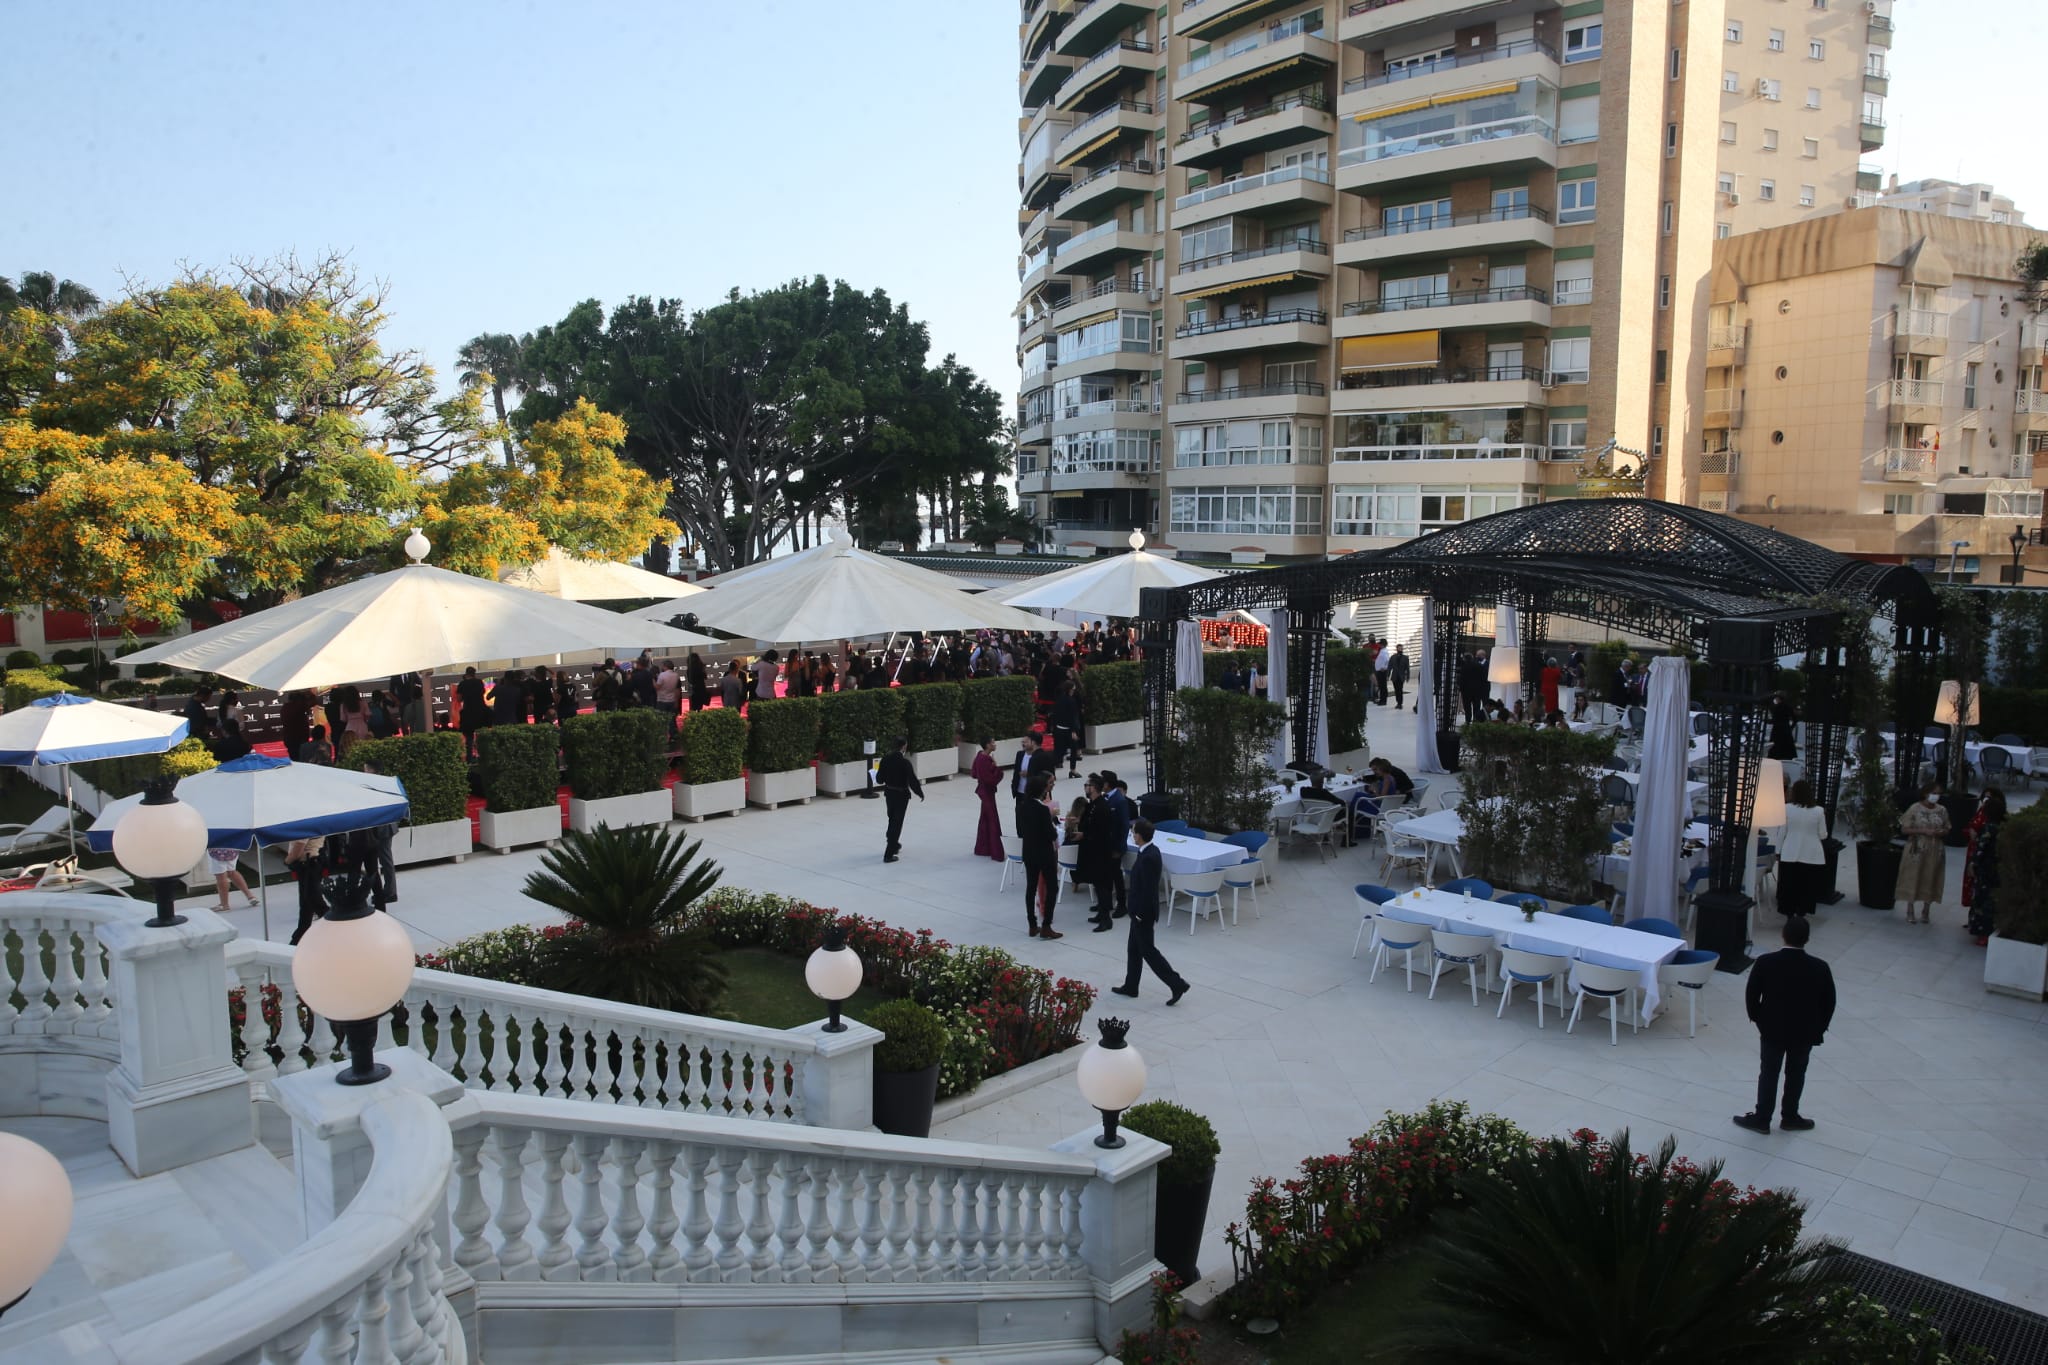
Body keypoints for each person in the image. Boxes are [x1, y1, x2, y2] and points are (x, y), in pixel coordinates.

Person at [1732, 915, 1836, 1134]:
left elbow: (1752, 996)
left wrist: (1759, 1019)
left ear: (1783, 935)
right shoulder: (1820, 967)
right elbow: (1829, 1002)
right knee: (1797, 1073)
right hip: (1804, 1031)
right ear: (1807, 939)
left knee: (1769, 1073)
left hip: (1772, 1029)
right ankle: (1790, 1116)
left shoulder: (1766, 962)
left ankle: (1762, 1118)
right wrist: (1819, 1027)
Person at [1109, 819, 1189, 1004]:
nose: (1132, 835)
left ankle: (1177, 983)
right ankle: (1131, 986)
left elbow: (1146, 890)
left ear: (1139, 835)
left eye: (1133, 832)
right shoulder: (1148, 852)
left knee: (1149, 952)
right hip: (1138, 912)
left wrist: (1138, 914)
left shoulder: (1149, 857)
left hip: (1142, 914)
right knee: (1134, 950)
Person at [1016, 771, 1062, 939]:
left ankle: (1032, 924)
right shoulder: (1042, 809)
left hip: (1028, 852)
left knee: (1031, 887)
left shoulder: (1021, 807)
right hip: (1044, 853)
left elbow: (1021, 830)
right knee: (1052, 887)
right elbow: (1051, 834)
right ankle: (1046, 925)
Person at [1896, 781, 1950, 924]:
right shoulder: (1915, 808)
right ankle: (1910, 908)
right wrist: (1923, 831)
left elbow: (1947, 827)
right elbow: (1904, 829)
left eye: (1938, 794)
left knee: (1931, 877)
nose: (1936, 796)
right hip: (1917, 848)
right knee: (1913, 876)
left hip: (1935, 849)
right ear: (1926, 793)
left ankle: (1926, 909)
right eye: (1934, 793)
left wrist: (1940, 832)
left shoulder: (1942, 810)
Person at [1776, 779, 1830, 919]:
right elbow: (1823, 835)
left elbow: (1782, 832)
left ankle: (1789, 913)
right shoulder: (1819, 811)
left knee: (1789, 886)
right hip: (1811, 854)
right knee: (1807, 887)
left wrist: (1778, 850)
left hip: (1790, 852)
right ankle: (1802, 913)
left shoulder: (1787, 808)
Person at [1078, 776, 1125, 932]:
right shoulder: (1093, 805)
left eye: (1087, 785)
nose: (1085, 787)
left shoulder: (1102, 807)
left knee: (1103, 886)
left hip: (1101, 853)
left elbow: (1100, 832)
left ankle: (1106, 919)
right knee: (1099, 885)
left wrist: (1084, 835)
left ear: (1094, 788)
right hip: (1094, 852)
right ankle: (1101, 913)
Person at [1965, 787, 2007, 946]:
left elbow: (1981, 848)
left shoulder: (1989, 828)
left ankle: (1982, 932)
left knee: (1983, 900)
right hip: (1998, 869)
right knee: (1992, 900)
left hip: (1985, 870)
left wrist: (1973, 864)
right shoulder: (2004, 826)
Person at [876, 735, 923, 863]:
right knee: (897, 822)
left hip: (889, 794)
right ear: (904, 746)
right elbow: (912, 780)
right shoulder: (904, 763)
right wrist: (919, 793)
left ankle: (893, 843)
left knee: (892, 818)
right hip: (901, 795)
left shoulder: (885, 759)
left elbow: (879, 779)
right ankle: (889, 853)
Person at [284, 835, 327, 945]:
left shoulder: (305, 825)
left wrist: (287, 861)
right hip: (311, 862)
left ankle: (340, 927)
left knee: (313, 902)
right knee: (306, 906)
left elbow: (299, 847)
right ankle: (298, 940)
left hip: (309, 863)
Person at [971, 736, 1005, 863]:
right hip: (987, 792)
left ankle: (983, 848)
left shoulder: (980, 756)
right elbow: (989, 779)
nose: (995, 744)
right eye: (993, 742)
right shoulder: (985, 759)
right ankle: (996, 852)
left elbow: (974, 773)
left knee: (985, 820)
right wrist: (997, 770)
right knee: (992, 820)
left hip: (984, 791)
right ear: (988, 745)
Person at [207, 846, 257, 915]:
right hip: (232, 848)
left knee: (221, 875)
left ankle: (224, 904)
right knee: (231, 872)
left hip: (216, 848)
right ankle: (250, 896)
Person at [1050, 681, 1083, 779]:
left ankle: (1052, 772)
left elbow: (1055, 715)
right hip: (1069, 730)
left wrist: (1054, 727)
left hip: (1059, 729)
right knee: (1073, 749)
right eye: (1073, 689)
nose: (1074, 691)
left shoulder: (1058, 699)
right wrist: (1073, 731)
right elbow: (1072, 717)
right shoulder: (1071, 701)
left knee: (1058, 751)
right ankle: (1072, 770)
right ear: (1070, 689)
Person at [456, 668, 488, 757]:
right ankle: (482, 757)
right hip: (480, 711)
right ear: (474, 673)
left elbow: (459, 699)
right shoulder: (479, 682)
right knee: (481, 735)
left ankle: (469, 758)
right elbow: (483, 693)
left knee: (468, 737)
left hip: (468, 712)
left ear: (466, 674)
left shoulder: (462, 684)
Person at [1766, 691, 1798, 761]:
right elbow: (1795, 720)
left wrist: (1768, 721)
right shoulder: (1788, 707)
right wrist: (1790, 728)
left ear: (1778, 699)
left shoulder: (1776, 708)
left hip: (1777, 731)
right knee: (1787, 751)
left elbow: (1774, 720)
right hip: (1786, 731)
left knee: (1775, 750)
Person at [1389, 644, 1410, 711]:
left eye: (1401, 648)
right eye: (1399, 648)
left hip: (1401, 676)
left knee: (1400, 689)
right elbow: (1389, 667)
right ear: (1397, 649)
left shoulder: (1405, 658)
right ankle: (1398, 702)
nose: (1400, 649)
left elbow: (1407, 668)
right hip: (1394, 676)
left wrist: (1407, 676)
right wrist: (1387, 675)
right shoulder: (1393, 657)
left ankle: (1400, 703)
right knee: (1396, 690)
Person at [1373, 638, 1392, 704]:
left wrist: (1384, 667)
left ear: (1383, 645)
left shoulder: (1384, 652)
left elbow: (1387, 660)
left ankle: (1383, 700)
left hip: (1382, 671)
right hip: (1380, 670)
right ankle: (1382, 699)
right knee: (1381, 686)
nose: (1379, 645)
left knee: (1382, 686)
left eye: (1380, 644)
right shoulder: (1382, 651)